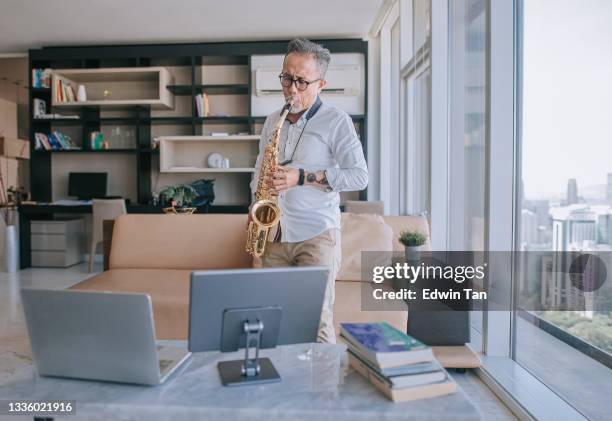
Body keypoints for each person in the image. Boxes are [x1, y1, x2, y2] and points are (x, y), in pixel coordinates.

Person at [250, 38, 368, 343]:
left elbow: (359, 176)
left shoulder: (337, 121)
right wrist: (255, 208)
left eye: (301, 81)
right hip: (274, 234)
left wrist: (302, 176)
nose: (291, 89)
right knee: (271, 320)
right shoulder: (271, 121)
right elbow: (260, 169)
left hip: (317, 235)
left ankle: (323, 391)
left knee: (316, 323)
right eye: (286, 78)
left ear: (321, 84)